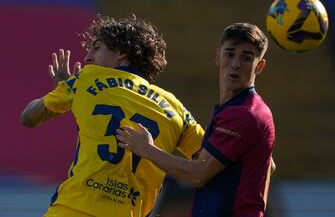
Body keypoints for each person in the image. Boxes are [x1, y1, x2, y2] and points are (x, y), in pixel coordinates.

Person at [20, 15, 204, 217]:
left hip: (72, 210)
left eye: (96, 48)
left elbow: (28, 118)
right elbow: (205, 164)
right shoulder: (175, 107)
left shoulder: (86, 79)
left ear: (121, 53)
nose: (87, 57)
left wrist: (64, 90)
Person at [116, 22, 276, 217]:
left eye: (246, 58)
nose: (235, 63)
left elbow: (197, 175)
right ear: (218, 55)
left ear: (259, 66)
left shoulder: (243, 114)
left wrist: (147, 149)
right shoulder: (242, 108)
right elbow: (269, 164)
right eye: (230, 53)